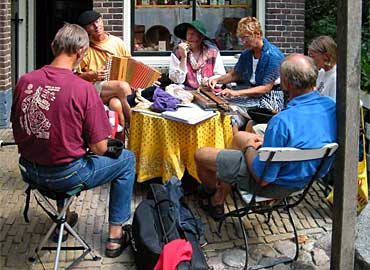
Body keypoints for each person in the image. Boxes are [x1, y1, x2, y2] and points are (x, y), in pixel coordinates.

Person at [11, 23, 135, 258]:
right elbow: (99, 148)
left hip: (28, 170)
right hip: (65, 176)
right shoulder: (83, 89)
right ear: (82, 52)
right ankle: (115, 238)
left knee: (58, 149)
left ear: (52, 47)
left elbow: (18, 130)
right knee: (127, 160)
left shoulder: (24, 81)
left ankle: (65, 218)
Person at [194, 54, 337, 220]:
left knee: (201, 154)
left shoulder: (281, 122)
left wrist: (248, 146)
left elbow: (263, 179)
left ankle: (213, 195)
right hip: (306, 179)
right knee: (240, 135)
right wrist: (268, 144)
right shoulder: (331, 106)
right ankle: (222, 191)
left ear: (286, 83)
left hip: (275, 184)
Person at [207, 16, 285, 131]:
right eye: (241, 39)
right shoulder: (247, 54)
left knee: (228, 108)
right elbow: (235, 75)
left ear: (258, 34)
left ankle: (235, 142)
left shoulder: (272, 55)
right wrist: (216, 80)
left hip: (270, 100)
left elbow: (265, 88)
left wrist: (235, 93)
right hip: (253, 96)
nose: (243, 42)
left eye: (246, 38)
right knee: (222, 106)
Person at [76, 10, 133, 139]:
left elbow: (131, 66)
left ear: (102, 20)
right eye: (91, 25)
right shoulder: (84, 48)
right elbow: (74, 77)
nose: (96, 26)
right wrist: (91, 75)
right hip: (93, 89)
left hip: (114, 92)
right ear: (86, 29)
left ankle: (121, 146)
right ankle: (136, 126)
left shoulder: (117, 42)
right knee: (122, 87)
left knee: (115, 105)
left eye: (97, 21)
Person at [169, 20, 226, 90]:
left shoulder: (213, 52)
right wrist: (183, 57)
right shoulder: (177, 52)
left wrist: (209, 81)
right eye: (188, 34)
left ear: (201, 37)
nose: (189, 37)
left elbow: (221, 76)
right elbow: (177, 80)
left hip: (209, 92)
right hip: (186, 93)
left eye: (192, 34)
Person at [308, 35, 337, 99]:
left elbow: (335, 106)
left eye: (312, 56)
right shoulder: (321, 72)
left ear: (326, 56)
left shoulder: (336, 77)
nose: (310, 60)